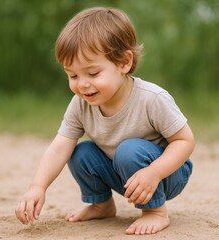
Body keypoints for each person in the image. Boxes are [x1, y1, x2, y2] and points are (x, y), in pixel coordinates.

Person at [15, 6, 194, 235]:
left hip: (167, 173)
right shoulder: (80, 104)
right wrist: (37, 187)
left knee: (128, 150)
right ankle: (102, 204)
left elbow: (185, 141)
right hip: (125, 175)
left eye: (92, 73)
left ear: (124, 63)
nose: (82, 84)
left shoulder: (151, 99)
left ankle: (156, 212)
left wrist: (155, 173)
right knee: (80, 152)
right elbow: (59, 149)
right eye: (73, 75)